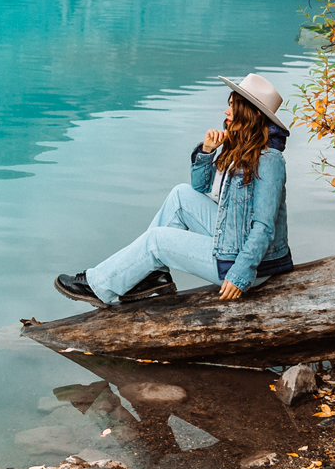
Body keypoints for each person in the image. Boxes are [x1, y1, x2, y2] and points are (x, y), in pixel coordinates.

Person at [55, 73, 294, 307]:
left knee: (156, 241)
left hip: (254, 265)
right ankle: (153, 276)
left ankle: (99, 285)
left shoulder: (269, 160)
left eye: (233, 106)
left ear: (249, 113)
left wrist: (241, 274)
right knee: (181, 194)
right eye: (228, 105)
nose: (226, 112)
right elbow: (200, 188)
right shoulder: (241, 147)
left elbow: (264, 226)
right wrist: (206, 152)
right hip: (235, 242)